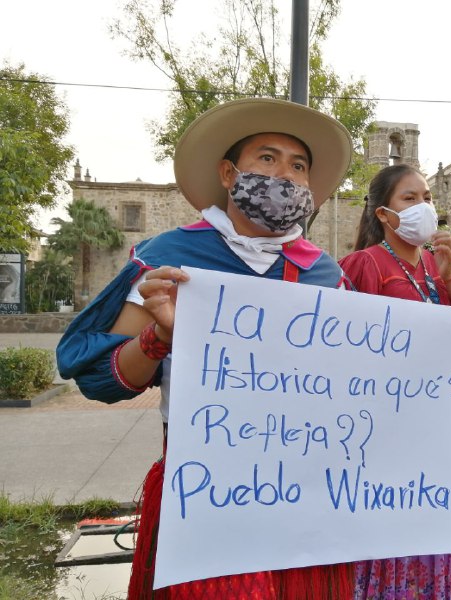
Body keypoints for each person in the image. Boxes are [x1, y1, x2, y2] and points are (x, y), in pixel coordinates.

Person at [57, 98, 357, 599]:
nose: (284, 174)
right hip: (209, 490)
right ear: (227, 172)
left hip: (306, 490)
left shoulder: (326, 274)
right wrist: (160, 337)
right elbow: (99, 380)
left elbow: (361, 376)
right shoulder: (169, 260)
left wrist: (449, 352)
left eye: (298, 165)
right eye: (268, 158)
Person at [339, 163, 451, 599]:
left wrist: (450, 275)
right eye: (409, 199)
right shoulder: (365, 265)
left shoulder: (441, 267)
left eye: (428, 198)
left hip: (442, 433)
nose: (423, 207)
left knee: (435, 533)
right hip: (384, 434)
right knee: (388, 538)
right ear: (383, 214)